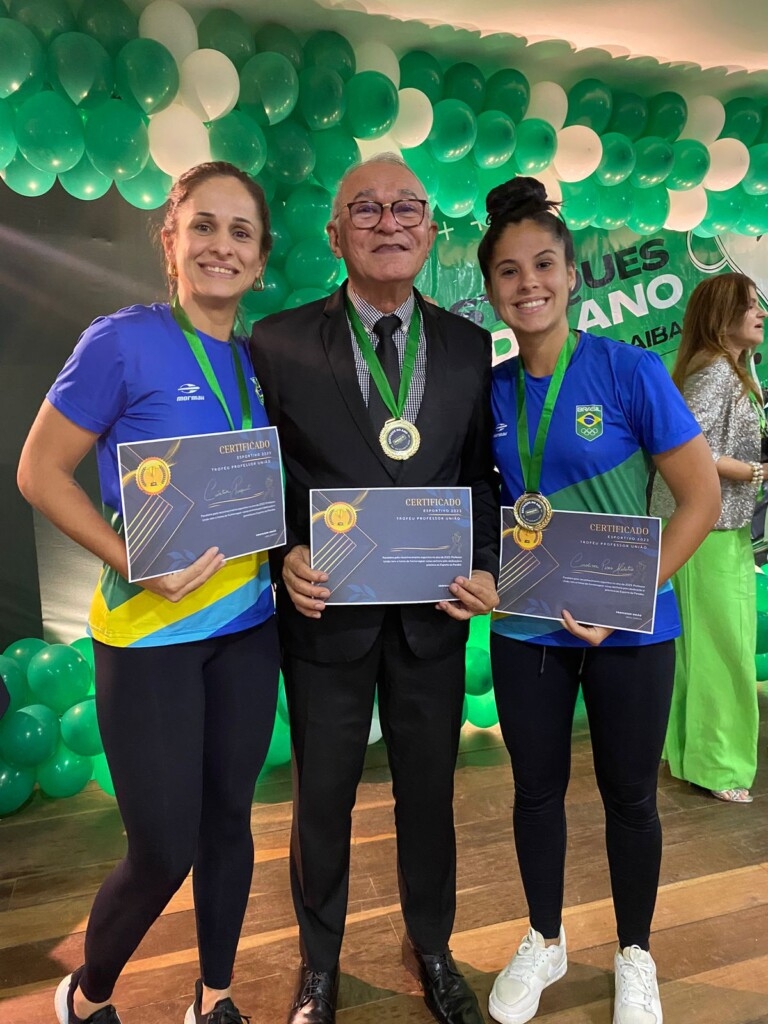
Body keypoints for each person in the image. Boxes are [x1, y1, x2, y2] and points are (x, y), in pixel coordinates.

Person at [17, 161, 280, 1024]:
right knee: (164, 848)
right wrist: (132, 559)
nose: (221, 246)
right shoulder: (121, 341)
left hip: (247, 628)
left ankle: (215, 995)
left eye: (240, 232)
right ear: (170, 242)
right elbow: (39, 472)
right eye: (203, 225)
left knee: (229, 822)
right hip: (149, 636)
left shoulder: (256, 362)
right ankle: (86, 991)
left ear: (260, 260)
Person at [249, 154, 499, 1024]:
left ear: (430, 229)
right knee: (321, 800)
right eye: (366, 209)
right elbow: (258, 476)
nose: (388, 223)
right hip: (326, 619)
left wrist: (486, 563)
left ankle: (432, 948)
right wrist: (281, 552)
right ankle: (319, 964)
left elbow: (480, 478)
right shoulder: (276, 342)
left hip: (434, 619)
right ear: (335, 233)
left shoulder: (470, 346)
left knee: (430, 797)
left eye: (406, 208)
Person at [476, 177, 720, 1024]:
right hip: (529, 626)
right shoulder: (492, 391)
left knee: (631, 798)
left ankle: (635, 954)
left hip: (631, 627)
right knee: (535, 792)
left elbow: (701, 500)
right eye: (509, 271)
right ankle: (545, 939)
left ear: (573, 274)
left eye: (544, 264)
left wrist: (629, 595)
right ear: (491, 288)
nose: (529, 283)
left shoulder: (629, 370)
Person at [651, 273, 766, 803]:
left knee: (703, 648)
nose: (760, 314)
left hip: (716, 528)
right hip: (706, 530)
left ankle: (692, 755)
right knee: (722, 650)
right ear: (723, 316)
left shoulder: (730, 370)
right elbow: (685, 445)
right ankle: (718, 766)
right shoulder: (716, 372)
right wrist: (751, 471)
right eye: (750, 306)